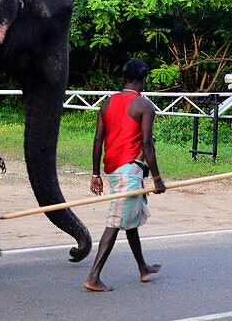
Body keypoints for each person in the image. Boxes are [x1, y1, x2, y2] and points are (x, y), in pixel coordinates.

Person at [84, 58, 166, 292]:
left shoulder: (108, 103)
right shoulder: (144, 105)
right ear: (143, 80)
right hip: (129, 170)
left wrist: (95, 174)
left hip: (112, 169)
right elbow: (147, 144)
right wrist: (158, 179)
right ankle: (93, 277)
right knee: (115, 222)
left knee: (130, 219)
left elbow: (98, 140)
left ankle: (143, 268)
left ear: (123, 78)